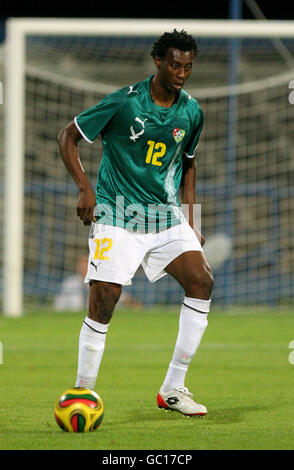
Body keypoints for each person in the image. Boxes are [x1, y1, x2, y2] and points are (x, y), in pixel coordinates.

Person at [58, 29, 213, 417]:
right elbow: (67, 136)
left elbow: (189, 164)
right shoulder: (125, 102)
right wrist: (84, 188)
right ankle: (83, 393)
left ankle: (173, 389)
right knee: (104, 301)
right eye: (175, 65)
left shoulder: (192, 111)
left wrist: (191, 219)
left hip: (165, 215)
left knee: (202, 281)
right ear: (158, 62)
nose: (181, 73)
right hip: (117, 214)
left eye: (188, 67)